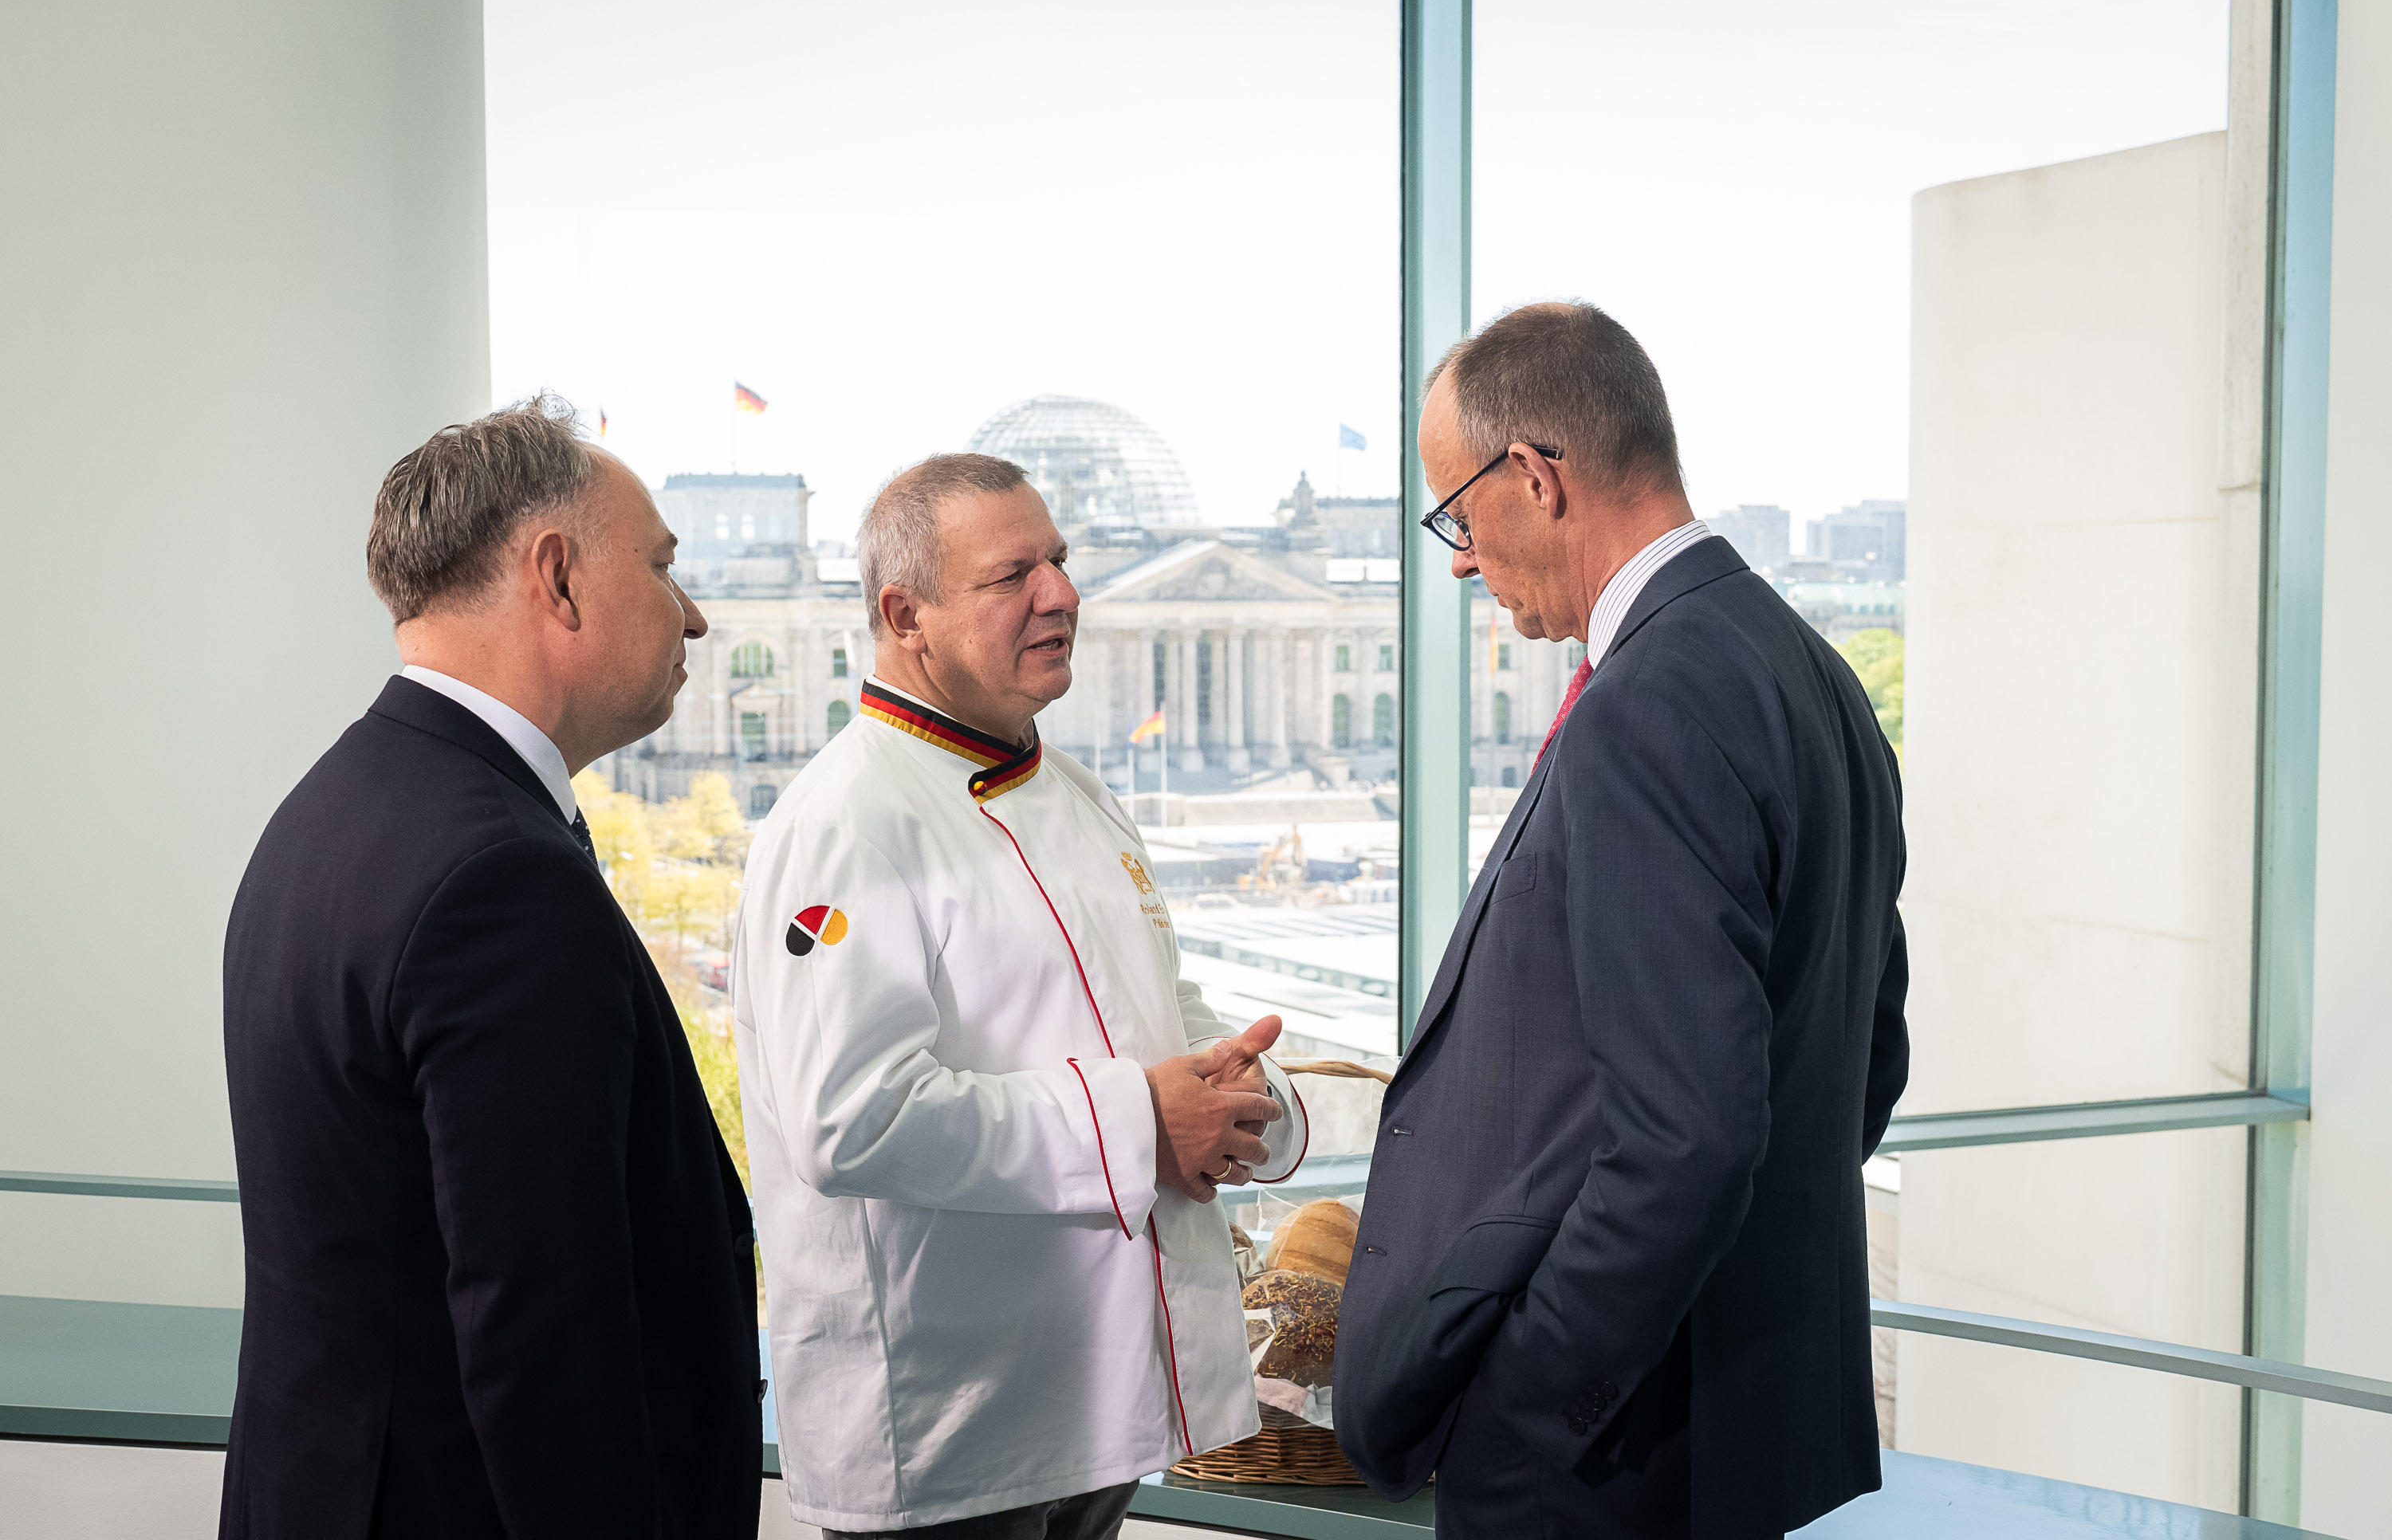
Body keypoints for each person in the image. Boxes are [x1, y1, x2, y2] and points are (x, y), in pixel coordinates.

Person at [1334, 303, 1909, 1539]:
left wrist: (1540, 1395)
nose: (1460, 559)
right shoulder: (1814, 674)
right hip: (1732, 1424)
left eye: (1457, 514)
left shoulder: (1646, 704)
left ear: (1533, 478)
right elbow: (1865, 1055)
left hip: (1609, 1453)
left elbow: (1688, 1140)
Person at [734, 453, 1309, 1538]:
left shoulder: (1079, 796)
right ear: (907, 614)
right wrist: (1145, 1119)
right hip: (946, 1432)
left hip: (1088, 1411)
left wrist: (1242, 1096)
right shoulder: (847, 821)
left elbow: (1156, 1016)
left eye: (1062, 560)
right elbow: (854, 1117)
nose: (1064, 594)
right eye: (1014, 575)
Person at [218, 398, 761, 1540]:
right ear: (556, 579)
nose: (696, 616)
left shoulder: (329, 812)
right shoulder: (498, 878)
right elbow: (544, 1337)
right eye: (663, 567)